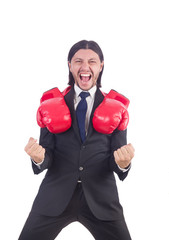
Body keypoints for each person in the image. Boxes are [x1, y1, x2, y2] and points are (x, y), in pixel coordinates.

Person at [20, 40, 135, 240]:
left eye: (92, 61)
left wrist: (123, 164)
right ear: (70, 65)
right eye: (78, 61)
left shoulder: (116, 107)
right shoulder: (51, 104)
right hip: (54, 196)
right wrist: (38, 157)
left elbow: (116, 158)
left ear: (101, 65)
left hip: (101, 199)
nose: (85, 66)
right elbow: (47, 154)